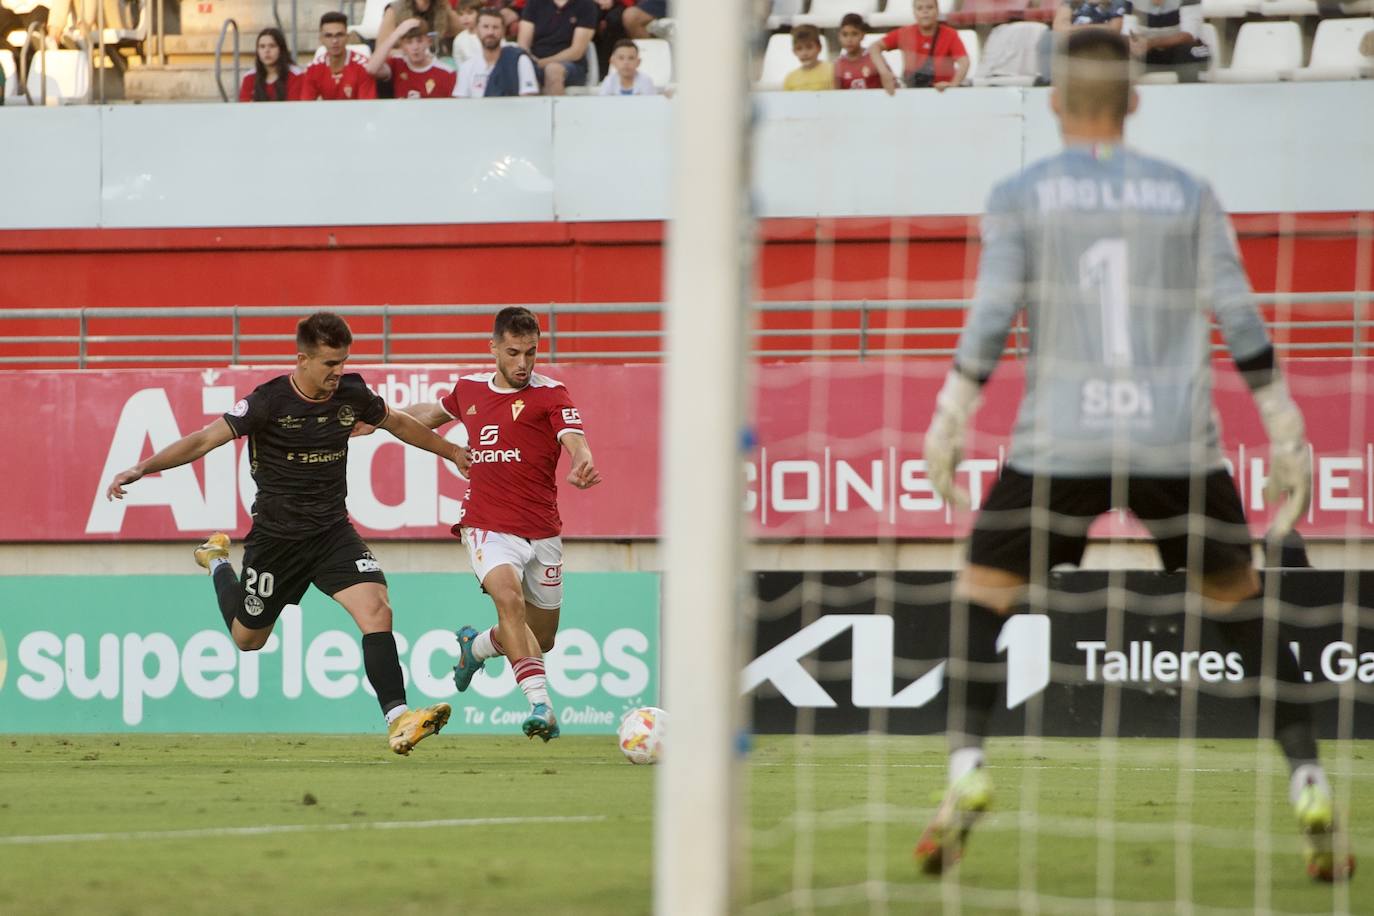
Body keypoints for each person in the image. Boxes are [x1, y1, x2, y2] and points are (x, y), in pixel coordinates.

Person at [916, 30, 1352, 883]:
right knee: (1240, 605)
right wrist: (1283, 423)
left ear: (1052, 100)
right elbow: (1240, 312)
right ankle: (1308, 778)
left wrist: (950, 412)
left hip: (1060, 443)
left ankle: (967, 770)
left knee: (982, 593)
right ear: (1136, 100)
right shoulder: (1187, 192)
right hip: (1175, 442)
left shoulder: (1022, 193)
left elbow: (993, 312)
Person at [104, 312, 465, 756]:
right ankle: (216, 559)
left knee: (377, 609)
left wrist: (451, 450)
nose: (338, 372)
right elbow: (202, 440)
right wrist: (143, 466)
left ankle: (399, 718)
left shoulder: (352, 393)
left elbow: (400, 423)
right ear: (303, 359)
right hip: (276, 540)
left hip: (332, 532)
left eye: (344, 361)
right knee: (247, 640)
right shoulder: (268, 402)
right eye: (330, 363)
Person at [399, 307, 601, 742]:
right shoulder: (469, 389)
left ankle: (476, 647)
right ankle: (541, 706)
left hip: (542, 530)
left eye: (531, 352)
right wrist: (383, 417)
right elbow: (434, 413)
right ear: (493, 349)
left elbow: (574, 439)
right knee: (509, 603)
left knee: (539, 638)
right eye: (513, 352)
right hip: (487, 525)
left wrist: (583, 459)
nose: (523, 363)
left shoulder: (552, 395)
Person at [871, 0, 968, 93]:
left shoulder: (950, 34)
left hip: (942, 92)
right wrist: (884, 72)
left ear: (938, 11)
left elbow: (964, 62)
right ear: (914, 12)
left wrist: (953, 85)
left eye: (930, 7)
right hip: (912, 92)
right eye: (920, 8)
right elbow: (874, 47)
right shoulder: (904, 33)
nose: (925, 12)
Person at [1035, 0, 1126, 84]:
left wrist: (1075, 28)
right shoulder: (1071, 2)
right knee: (1049, 37)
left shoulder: (1117, 2)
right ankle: (1049, 81)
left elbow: (1114, 28)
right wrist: (1099, 26)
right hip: (1072, 38)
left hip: (1099, 38)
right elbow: (1059, 26)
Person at [454, 7, 539, 97]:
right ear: (477, 30)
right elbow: (461, 105)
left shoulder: (519, 60)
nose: (490, 32)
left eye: (495, 27)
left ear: (503, 31)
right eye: (485, 27)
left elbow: (528, 100)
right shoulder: (467, 67)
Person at [518, 0, 596, 96]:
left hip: (571, 65)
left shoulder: (586, 5)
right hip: (535, 61)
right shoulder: (534, 3)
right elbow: (523, 44)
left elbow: (576, 51)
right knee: (525, 71)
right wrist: (530, 62)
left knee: (552, 70)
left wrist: (541, 63)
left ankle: (557, 111)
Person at [366, 17, 457, 97]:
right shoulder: (397, 63)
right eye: (409, 42)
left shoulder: (447, 72)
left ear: (429, 42)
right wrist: (396, 34)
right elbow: (371, 68)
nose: (415, 47)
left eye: (419, 41)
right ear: (402, 45)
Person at [1125, 0, 1210, 83]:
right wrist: (1136, 43)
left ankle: (1190, 94)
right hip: (1147, 51)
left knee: (1187, 53)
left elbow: (1189, 36)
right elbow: (1128, 32)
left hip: (1181, 50)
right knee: (1123, 55)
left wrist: (1151, 43)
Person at [300, 12, 377, 100]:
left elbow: (367, 108)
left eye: (339, 35)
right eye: (328, 36)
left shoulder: (363, 67)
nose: (334, 41)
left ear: (347, 37)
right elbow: (305, 106)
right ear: (321, 39)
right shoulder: (313, 68)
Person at [239, 27, 304, 101]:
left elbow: (295, 109)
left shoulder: (296, 75)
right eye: (262, 46)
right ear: (257, 51)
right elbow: (244, 109)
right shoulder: (249, 78)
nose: (267, 50)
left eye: (272, 46)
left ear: (281, 49)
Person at [375, 0, 461, 52]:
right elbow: (381, 49)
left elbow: (462, 30)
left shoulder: (442, 7)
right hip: (404, 64)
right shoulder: (394, 10)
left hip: (434, 63)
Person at [833, 12, 881, 90]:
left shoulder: (874, 58)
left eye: (854, 34)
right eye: (845, 35)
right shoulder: (839, 64)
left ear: (862, 35)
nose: (849, 40)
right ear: (839, 36)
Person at [783, 24, 832, 92]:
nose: (804, 53)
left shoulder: (832, 71)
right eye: (799, 48)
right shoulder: (790, 79)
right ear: (794, 51)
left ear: (819, 48)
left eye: (809, 47)